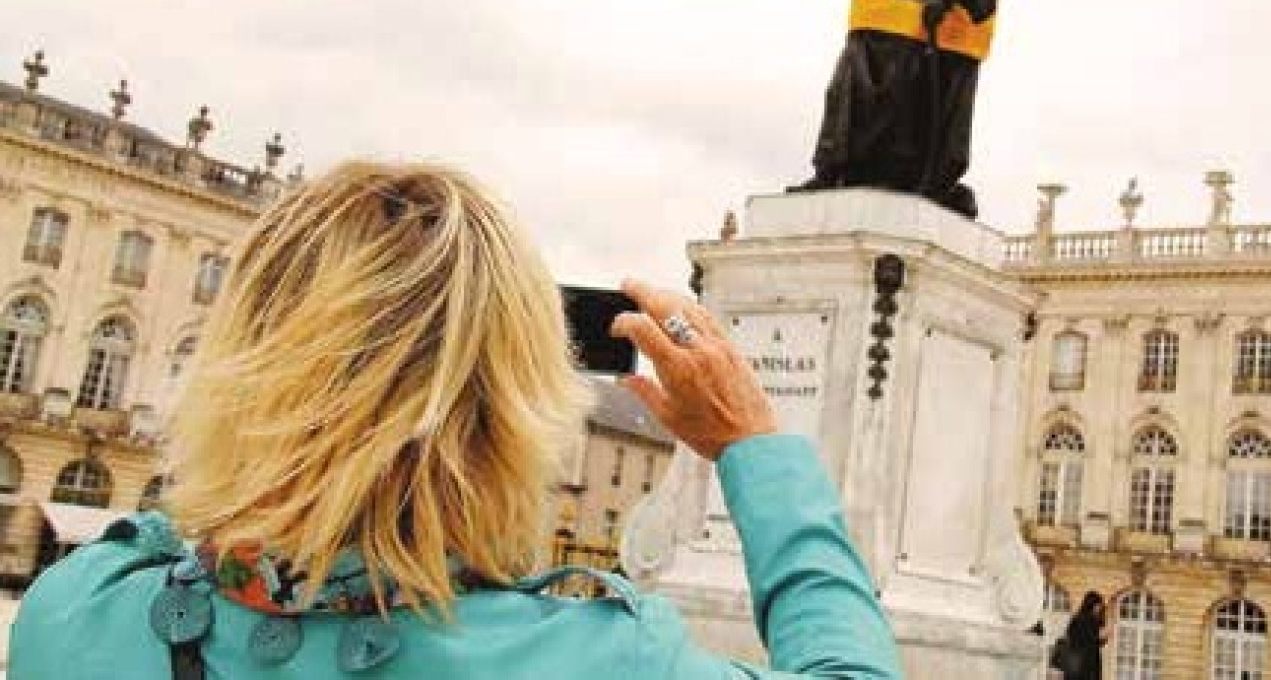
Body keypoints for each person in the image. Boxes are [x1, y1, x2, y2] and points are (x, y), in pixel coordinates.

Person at [11, 161, 902, 680]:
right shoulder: (598, 658)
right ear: (512, 409)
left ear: (240, 366)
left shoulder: (75, 614)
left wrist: (271, 471)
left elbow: (186, 533)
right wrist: (755, 446)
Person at [788, 0, 1000, 219]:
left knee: (897, 112)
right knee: (841, 101)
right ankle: (829, 171)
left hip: (913, 36)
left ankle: (896, 178)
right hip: (863, 31)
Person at [1062, 590, 1107, 680]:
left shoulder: (1076, 619)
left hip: (1073, 663)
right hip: (1087, 665)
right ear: (1093, 605)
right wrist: (1103, 638)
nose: (1099, 608)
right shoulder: (1091, 621)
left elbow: (1069, 636)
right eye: (1098, 605)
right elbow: (1092, 642)